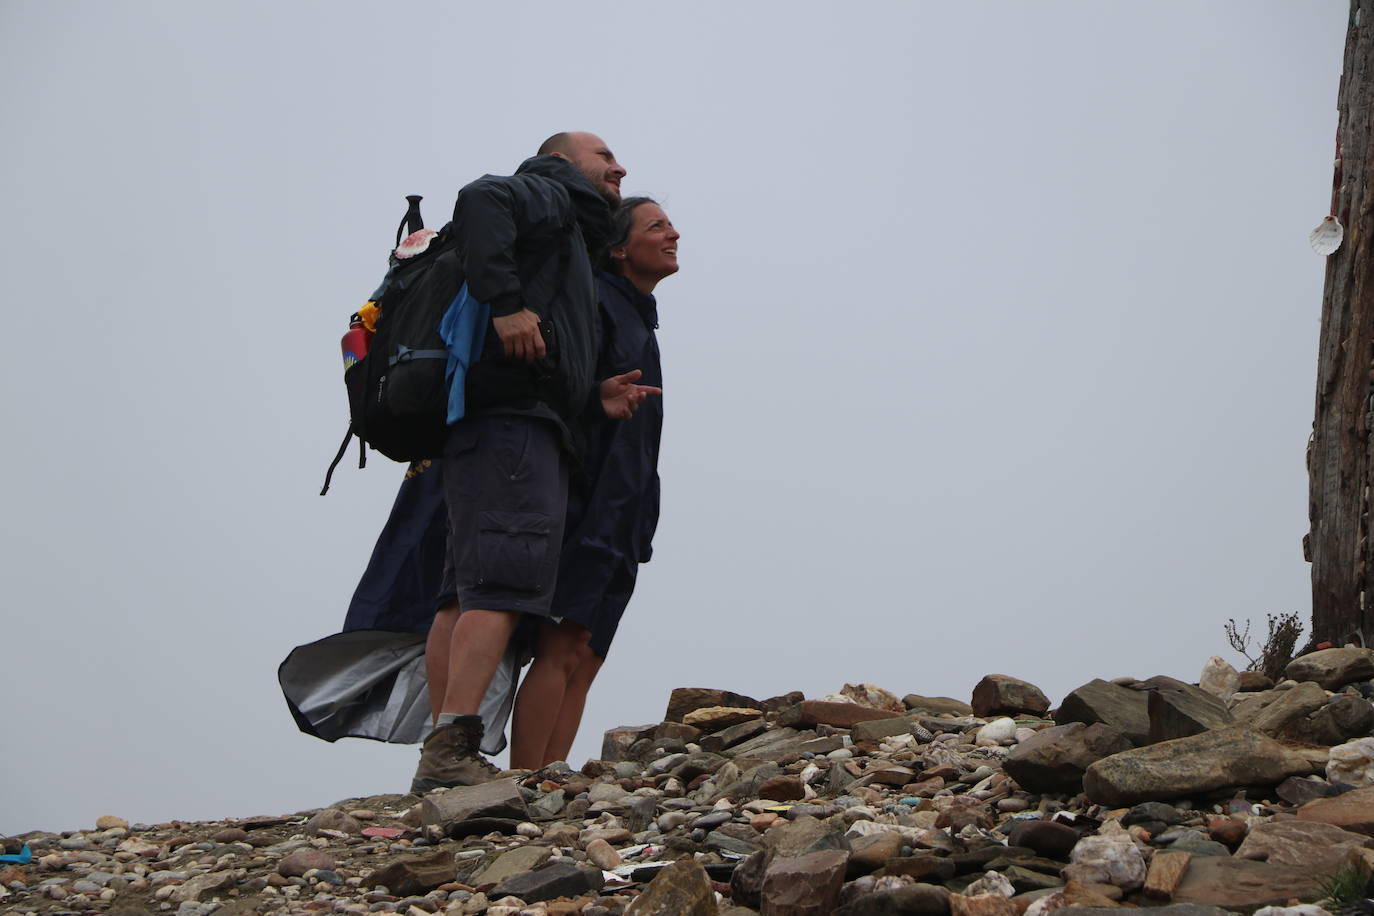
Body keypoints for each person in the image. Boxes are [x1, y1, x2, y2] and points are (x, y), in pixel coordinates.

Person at [412, 132, 661, 793]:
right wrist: (507, 304)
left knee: (463, 592)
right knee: (499, 588)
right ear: (565, 160)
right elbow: (479, 198)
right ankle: (450, 751)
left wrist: (591, 394)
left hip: (499, 420)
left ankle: (445, 754)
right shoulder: (549, 191)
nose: (619, 168)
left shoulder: (566, 234)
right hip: (516, 428)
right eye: (604, 157)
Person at [507, 197, 680, 769]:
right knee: (562, 645)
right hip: (590, 499)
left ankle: (554, 777)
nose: (673, 233)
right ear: (618, 247)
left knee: (588, 654)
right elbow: (561, 388)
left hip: (627, 507)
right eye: (656, 225)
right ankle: (526, 782)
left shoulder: (640, 316)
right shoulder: (598, 303)